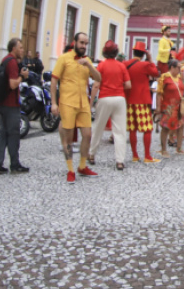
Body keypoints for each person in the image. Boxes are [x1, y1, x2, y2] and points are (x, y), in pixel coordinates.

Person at [51, 32, 102, 183]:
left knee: (87, 135)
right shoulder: (64, 58)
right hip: (67, 102)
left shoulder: (87, 61)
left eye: (86, 43)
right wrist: (53, 103)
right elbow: (54, 81)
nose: (84, 46)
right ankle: (70, 169)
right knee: (67, 138)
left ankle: (82, 166)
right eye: (81, 43)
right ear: (75, 42)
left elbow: (98, 78)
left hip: (83, 103)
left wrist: (89, 66)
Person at [89, 41, 131, 170]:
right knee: (120, 131)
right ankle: (120, 161)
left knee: (98, 127)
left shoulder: (101, 66)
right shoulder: (121, 66)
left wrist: (91, 102)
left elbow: (96, 85)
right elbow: (128, 85)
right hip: (119, 98)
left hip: (105, 97)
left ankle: (91, 154)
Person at [0, 38, 31, 175]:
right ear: (14, 48)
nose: (22, 50)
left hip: (2, 102)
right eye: (20, 47)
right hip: (11, 104)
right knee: (14, 135)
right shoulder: (12, 63)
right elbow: (13, 84)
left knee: (2, 134)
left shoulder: (5, 60)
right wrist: (22, 76)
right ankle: (15, 164)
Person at [125, 41, 160, 163]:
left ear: (133, 51)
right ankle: (147, 156)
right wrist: (150, 59)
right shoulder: (145, 65)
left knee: (132, 129)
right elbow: (155, 73)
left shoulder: (125, 64)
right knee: (147, 129)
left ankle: (135, 155)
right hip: (142, 100)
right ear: (143, 54)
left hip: (129, 100)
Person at [156, 59, 184, 157]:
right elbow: (159, 93)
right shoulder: (164, 77)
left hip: (179, 106)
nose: (180, 69)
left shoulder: (180, 78)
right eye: (178, 67)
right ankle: (163, 149)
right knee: (166, 127)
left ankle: (179, 148)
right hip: (168, 106)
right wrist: (158, 107)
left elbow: (183, 89)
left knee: (181, 126)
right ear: (172, 67)